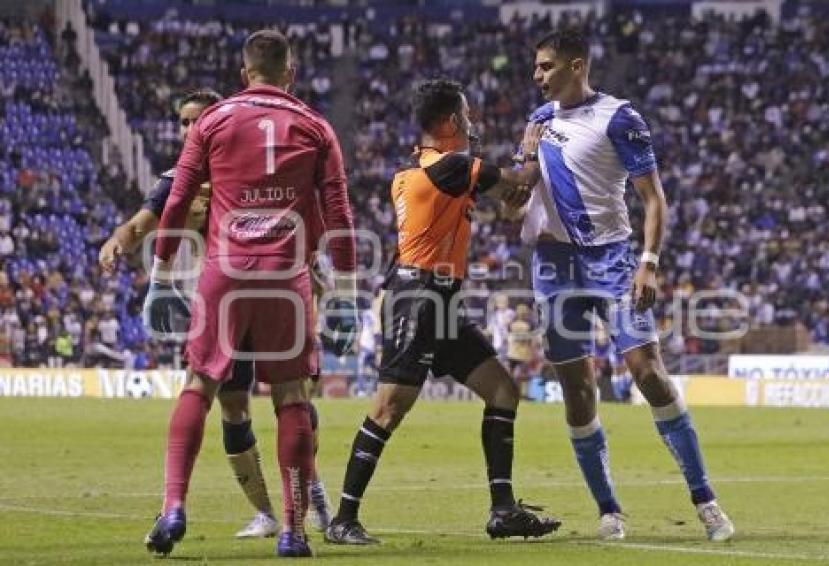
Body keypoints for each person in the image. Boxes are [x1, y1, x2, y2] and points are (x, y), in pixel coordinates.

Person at [513, 29, 734, 541]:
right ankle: (609, 509)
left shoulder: (619, 117)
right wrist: (519, 168)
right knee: (576, 388)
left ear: (576, 66)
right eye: (536, 67)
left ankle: (705, 500)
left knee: (647, 371)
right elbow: (514, 202)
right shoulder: (538, 122)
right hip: (553, 265)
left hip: (611, 260)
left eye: (546, 66)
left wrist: (649, 262)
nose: (537, 76)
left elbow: (654, 199)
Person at [142, 30, 356, 558]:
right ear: (291, 72)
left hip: (224, 271)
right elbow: (340, 216)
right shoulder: (315, 126)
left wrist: (161, 275)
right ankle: (293, 530)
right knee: (290, 399)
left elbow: (179, 198)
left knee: (198, 386)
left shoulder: (214, 121)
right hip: (286, 275)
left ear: (244, 73)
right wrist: (347, 292)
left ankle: (173, 506)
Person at [324, 79, 561, 546]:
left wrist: (514, 190)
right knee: (389, 409)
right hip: (419, 297)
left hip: (440, 297)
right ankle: (343, 518)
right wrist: (531, 152)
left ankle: (502, 511)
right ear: (451, 121)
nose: (472, 124)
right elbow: (517, 184)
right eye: (467, 116)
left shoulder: (435, 170)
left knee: (502, 391)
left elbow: (510, 207)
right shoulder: (451, 166)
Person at [100, 89, 337, 539]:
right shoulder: (178, 179)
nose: (190, 130)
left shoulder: (246, 165)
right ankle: (268, 512)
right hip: (223, 307)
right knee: (233, 407)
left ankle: (312, 495)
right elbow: (142, 222)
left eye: (198, 121)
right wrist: (119, 242)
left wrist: (317, 278)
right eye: (184, 123)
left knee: (296, 398)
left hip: (267, 293)